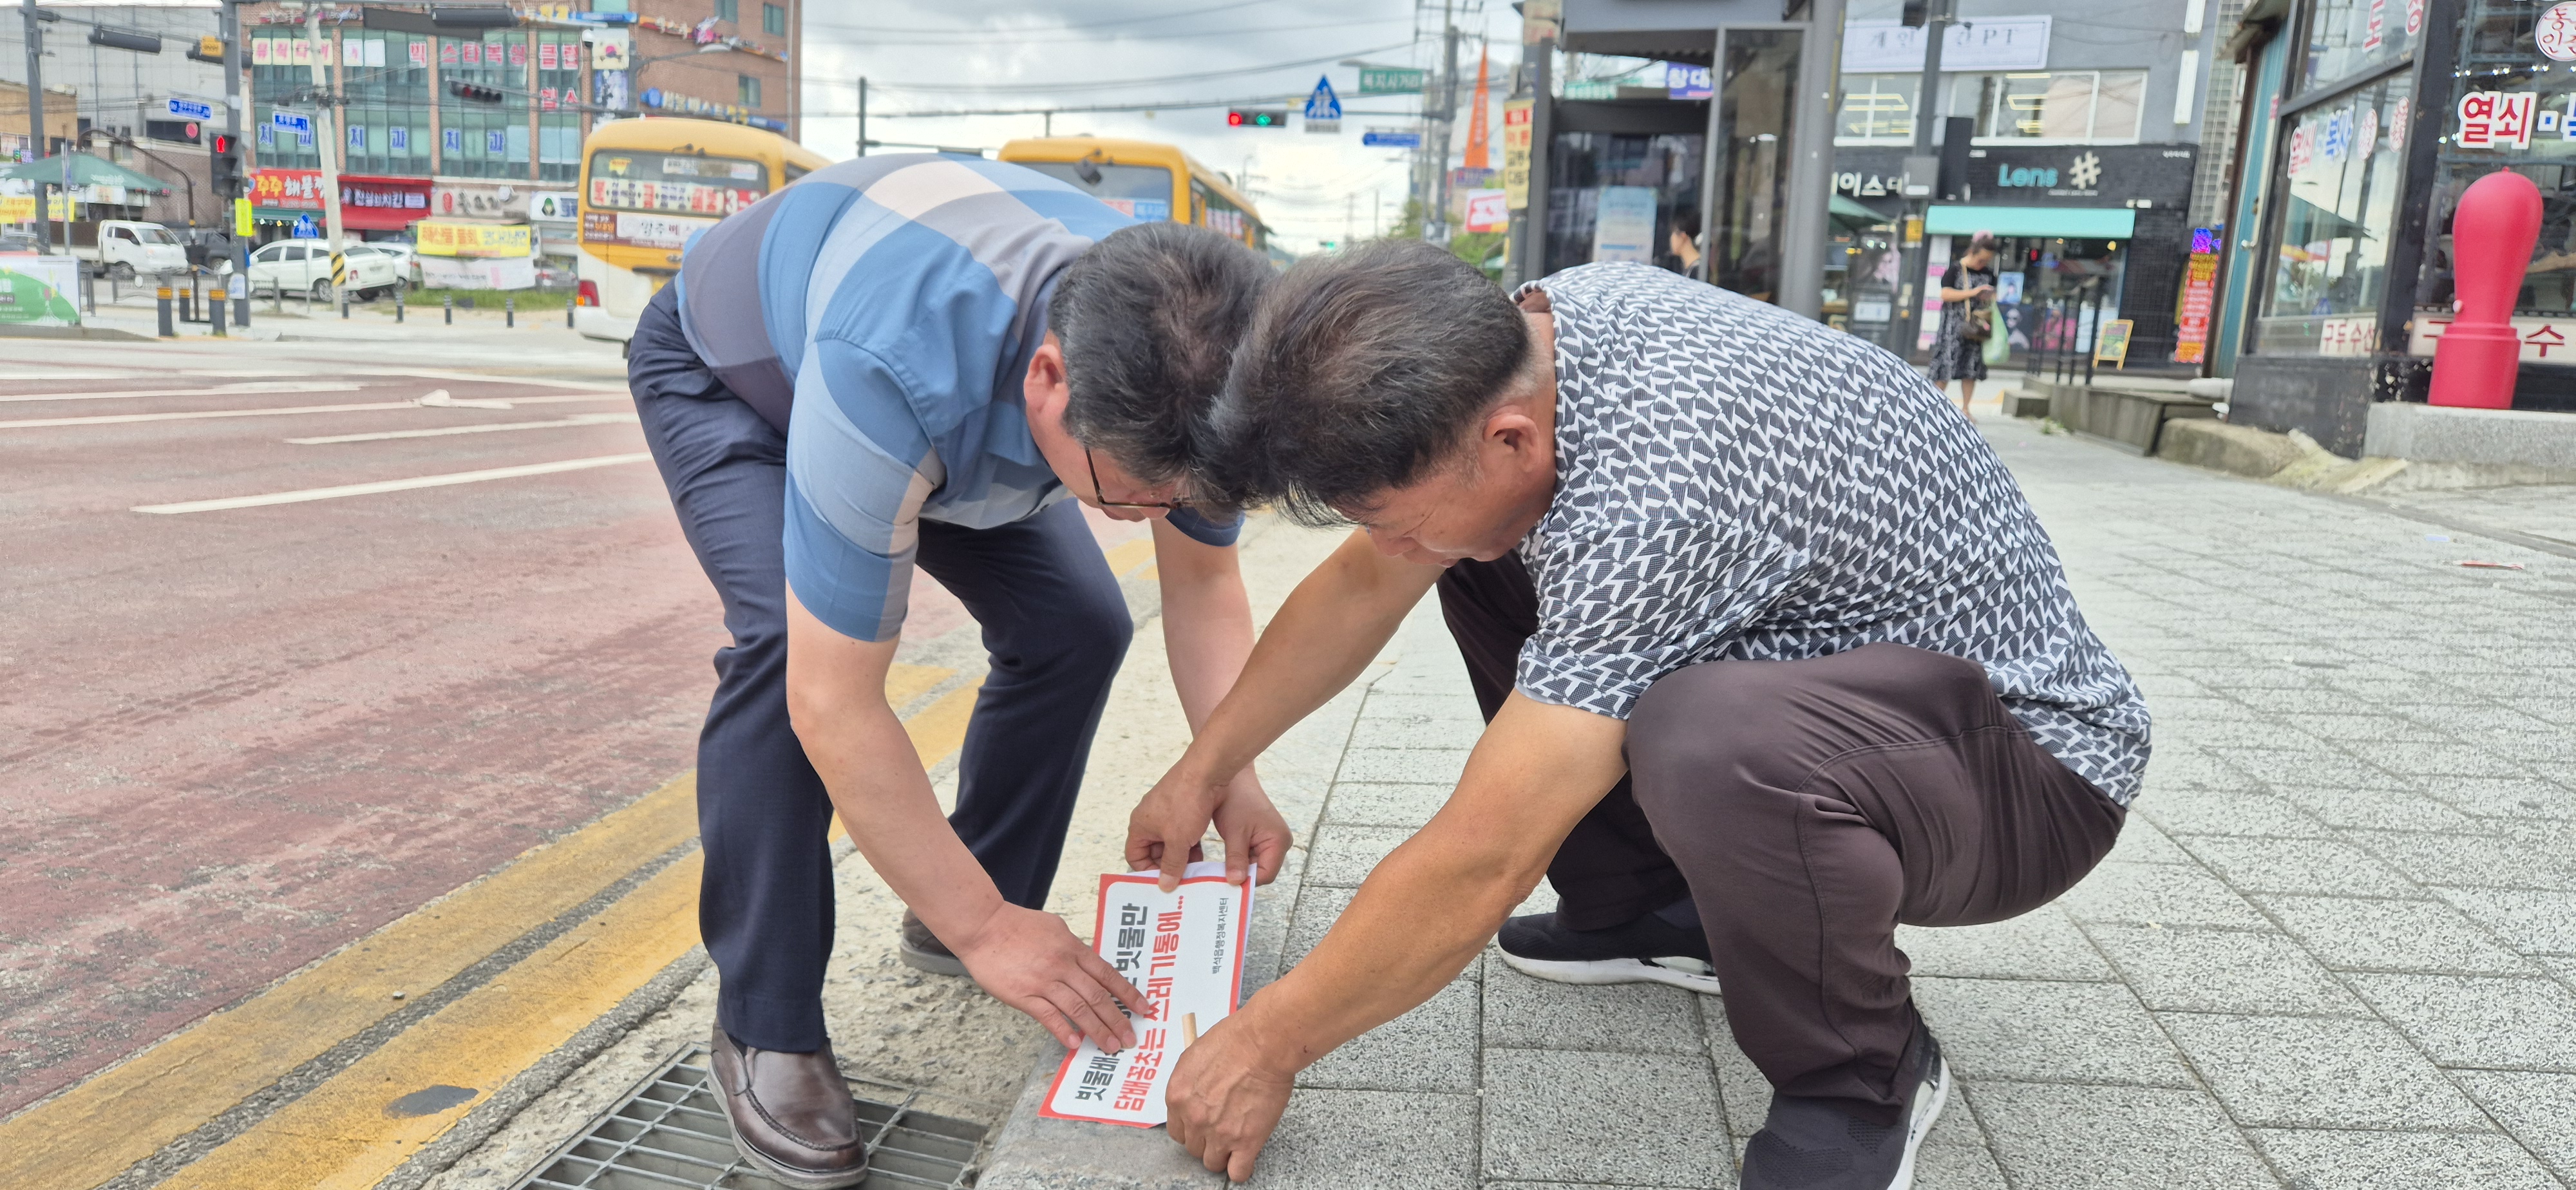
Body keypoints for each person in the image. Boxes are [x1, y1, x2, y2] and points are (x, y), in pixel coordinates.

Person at [1126, 244, 2148, 1189]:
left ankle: (1863, 1076)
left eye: (1379, 515)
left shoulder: (1657, 504)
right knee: (1475, 559)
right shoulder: (1549, 325)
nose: (1378, 546)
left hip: (2026, 774)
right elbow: (1364, 586)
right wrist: (1205, 768)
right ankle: (1647, 913)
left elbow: (1487, 852)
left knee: (1709, 739)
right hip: (1869, 700)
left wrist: (1265, 1043)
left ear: (1510, 437)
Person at [628, 153, 1286, 1189]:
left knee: (1077, 623)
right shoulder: (897, 364)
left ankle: (964, 899)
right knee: (780, 654)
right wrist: (992, 935)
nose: (1154, 517)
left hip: (945, 395)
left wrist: (1233, 772)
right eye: (1130, 497)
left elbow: (1204, 591)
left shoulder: (1201, 372)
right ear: (1050, 379)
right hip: (743, 380)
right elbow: (832, 701)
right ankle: (765, 1027)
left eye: (1179, 497)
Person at [1929, 232, 2001, 420]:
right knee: (1945, 365)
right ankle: (1932, 406)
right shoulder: (1956, 269)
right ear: (1973, 252)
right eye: (1981, 259)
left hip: (1977, 328)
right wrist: (1974, 292)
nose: (1982, 264)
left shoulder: (1988, 274)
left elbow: (1995, 299)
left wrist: (1990, 296)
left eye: (1987, 260)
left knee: (1971, 368)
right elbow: (1945, 294)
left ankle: (1966, 408)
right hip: (1952, 326)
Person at [1667, 208, 1706, 281]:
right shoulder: (1691, 268)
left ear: (1683, 236)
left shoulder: (1697, 271)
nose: (1671, 239)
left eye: (1673, 233)